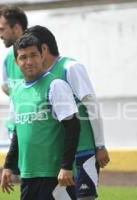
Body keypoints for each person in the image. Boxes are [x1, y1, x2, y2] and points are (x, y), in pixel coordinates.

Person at [25, 25, 110, 200]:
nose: (29, 60)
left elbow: (92, 105)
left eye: (33, 52)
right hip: (60, 157)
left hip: (83, 151)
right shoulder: (42, 77)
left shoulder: (70, 67)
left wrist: (100, 145)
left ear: (43, 49)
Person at [0, 34, 80, 200]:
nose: (29, 61)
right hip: (28, 174)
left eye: (33, 55)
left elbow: (73, 126)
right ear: (16, 61)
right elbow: (17, 132)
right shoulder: (17, 91)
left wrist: (66, 167)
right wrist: (8, 166)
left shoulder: (55, 85)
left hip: (55, 175)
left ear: (42, 55)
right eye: (23, 57)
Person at [0, 5, 28, 96]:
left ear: (16, 28)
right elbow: (7, 88)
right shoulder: (9, 56)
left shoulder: (40, 54)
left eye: (2, 29)